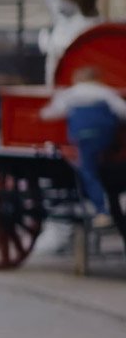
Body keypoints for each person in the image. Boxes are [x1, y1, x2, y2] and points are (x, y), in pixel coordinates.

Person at [41, 66, 126, 229]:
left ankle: (102, 211)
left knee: (88, 171)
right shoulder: (105, 92)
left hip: (83, 138)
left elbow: (51, 113)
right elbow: (123, 111)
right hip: (106, 139)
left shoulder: (70, 94)